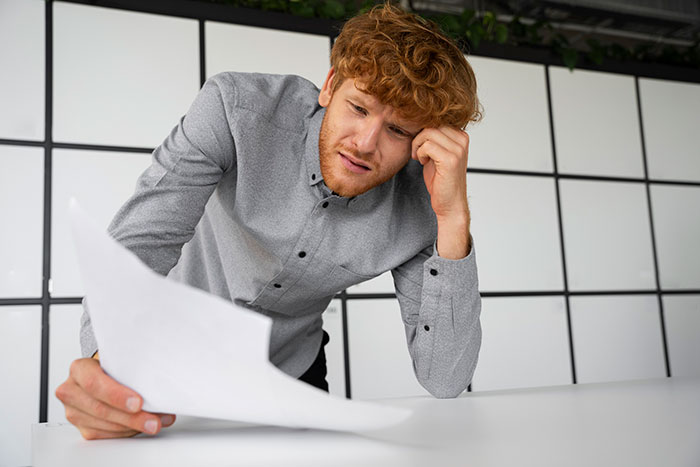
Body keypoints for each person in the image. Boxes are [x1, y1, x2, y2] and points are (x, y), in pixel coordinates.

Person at [56, 0, 484, 440]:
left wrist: (453, 220)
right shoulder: (235, 111)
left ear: (422, 142)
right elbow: (143, 240)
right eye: (358, 108)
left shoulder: (421, 203)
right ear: (331, 85)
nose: (364, 143)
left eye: (398, 131)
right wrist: (105, 363)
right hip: (167, 361)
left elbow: (445, 378)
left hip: (291, 377)